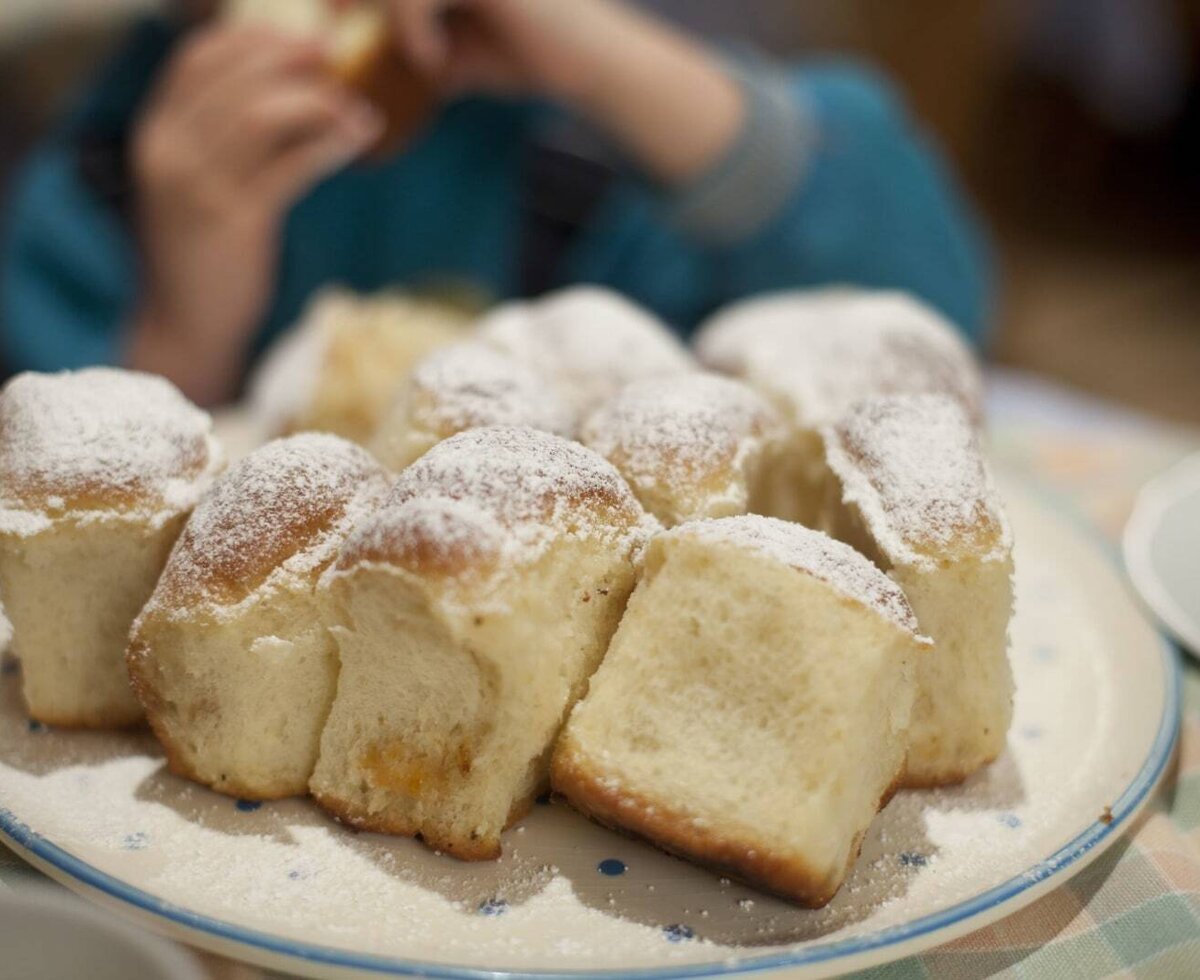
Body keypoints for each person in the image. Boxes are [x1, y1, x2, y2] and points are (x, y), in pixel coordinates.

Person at [0, 0, 991, 406]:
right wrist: (183, 320)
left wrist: (627, 74)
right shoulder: (118, 165)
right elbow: (56, 529)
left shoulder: (589, 137)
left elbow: (934, 334)